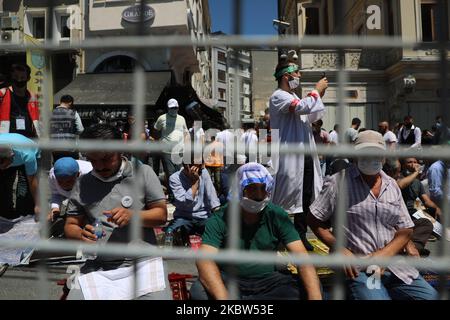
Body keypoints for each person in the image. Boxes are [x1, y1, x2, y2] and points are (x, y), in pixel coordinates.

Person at [307, 130, 438, 300]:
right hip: (362, 268)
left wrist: (384, 255)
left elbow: (405, 229)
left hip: (396, 267)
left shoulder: (391, 185)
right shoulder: (337, 182)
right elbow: (314, 219)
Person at [64, 124, 171, 300]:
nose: (99, 166)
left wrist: (133, 216)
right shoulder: (83, 183)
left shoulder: (143, 173)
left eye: (106, 159)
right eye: (92, 160)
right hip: (97, 264)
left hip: (142, 262)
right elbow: (71, 225)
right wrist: (81, 234)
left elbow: (161, 215)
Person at [190, 163, 322, 300]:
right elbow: (204, 260)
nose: (259, 195)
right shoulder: (221, 217)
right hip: (230, 281)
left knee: (313, 286)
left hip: (270, 282)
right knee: (199, 291)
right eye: (252, 188)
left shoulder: (276, 215)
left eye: (263, 188)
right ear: (240, 189)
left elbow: (302, 257)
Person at [269, 59, 328, 251]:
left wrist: (320, 95)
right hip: (290, 158)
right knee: (285, 199)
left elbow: (312, 114)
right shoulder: (279, 96)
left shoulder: (294, 95)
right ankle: (280, 238)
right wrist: (316, 91)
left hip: (306, 155)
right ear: (287, 76)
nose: (300, 76)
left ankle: (300, 235)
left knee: (306, 197)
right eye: (297, 72)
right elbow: (301, 107)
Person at [168, 155, 220, 245]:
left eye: (201, 166)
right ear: (187, 166)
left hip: (203, 217)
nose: (200, 170)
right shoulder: (174, 178)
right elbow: (185, 203)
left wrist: (219, 218)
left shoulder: (203, 172)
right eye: (197, 167)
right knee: (174, 233)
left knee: (216, 231)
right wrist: (194, 184)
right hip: (184, 217)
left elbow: (213, 199)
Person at [153, 99, 189, 201]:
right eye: (172, 108)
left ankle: (181, 193)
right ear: (168, 108)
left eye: (175, 108)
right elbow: (155, 131)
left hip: (180, 151)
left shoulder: (182, 119)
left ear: (178, 108)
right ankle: (172, 195)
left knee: (180, 172)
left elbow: (186, 133)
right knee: (170, 173)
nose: (174, 109)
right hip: (166, 151)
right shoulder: (162, 118)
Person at [0, 133, 40, 220]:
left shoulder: (27, 155)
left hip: (28, 152)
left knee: (24, 187)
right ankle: (6, 212)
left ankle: (26, 211)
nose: (2, 169)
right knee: (4, 186)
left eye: (4, 166)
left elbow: (32, 181)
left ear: (11, 157)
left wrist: (38, 204)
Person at [0, 64, 40, 138]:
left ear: (28, 78)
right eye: (16, 77)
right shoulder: (2, 94)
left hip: (29, 139)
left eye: (22, 77)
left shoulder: (32, 96)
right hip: (8, 140)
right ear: (11, 77)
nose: (19, 80)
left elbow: (35, 119)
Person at [48, 157, 92, 222]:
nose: (64, 185)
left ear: (78, 174)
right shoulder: (53, 176)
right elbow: (56, 193)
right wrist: (55, 208)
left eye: (69, 181)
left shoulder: (90, 174)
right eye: (60, 181)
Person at [50, 95, 84, 162]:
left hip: (55, 146)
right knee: (71, 165)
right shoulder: (73, 113)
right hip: (70, 146)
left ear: (60, 102)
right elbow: (80, 129)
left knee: (58, 164)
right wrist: (74, 134)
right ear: (70, 103)